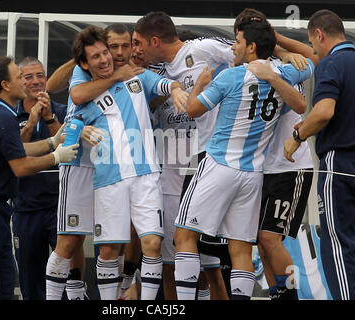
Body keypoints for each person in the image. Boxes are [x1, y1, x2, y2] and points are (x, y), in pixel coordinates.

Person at [175, 19, 313, 300]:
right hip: (253, 174)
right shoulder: (284, 73)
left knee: (184, 236)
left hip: (220, 165)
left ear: (251, 47)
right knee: (241, 249)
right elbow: (309, 64)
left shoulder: (229, 76)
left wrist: (199, 85)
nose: (233, 46)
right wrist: (285, 54)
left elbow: (192, 110)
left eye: (237, 41)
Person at [70, 25, 187, 300]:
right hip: (109, 180)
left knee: (152, 243)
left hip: (146, 176)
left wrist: (177, 89)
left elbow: (166, 84)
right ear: (85, 64)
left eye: (105, 53)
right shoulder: (84, 94)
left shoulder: (137, 75)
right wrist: (78, 131)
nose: (105, 59)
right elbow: (68, 128)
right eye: (96, 56)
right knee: (110, 250)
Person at [0, 56, 78, 300]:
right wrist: (56, 157)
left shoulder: (0, 112)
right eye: (20, 76)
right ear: (6, 85)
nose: (27, 81)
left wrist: (53, 142)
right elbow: (19, 166)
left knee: (3, 282)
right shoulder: (0, 115)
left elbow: (17, 149)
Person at [133, 11, 236, 300]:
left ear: (154, 40)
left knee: (210, 266)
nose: (135, 51)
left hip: (206, 165)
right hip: (169, 174)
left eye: (138, 43)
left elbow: (246, 51)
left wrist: (285, 56)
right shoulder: (153, 75)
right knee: (170, 263)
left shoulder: (202, 49)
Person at [45, 23, 143, 300]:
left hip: (112, 168)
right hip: (79, 165)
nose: (117, 53)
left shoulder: (131, 70)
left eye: (126, 45)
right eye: (112, 47)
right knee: (70, 239)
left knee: (114, 241)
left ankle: (115, 296)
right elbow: (69, 94)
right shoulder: (84, 70)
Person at [233, 8, 316, 300]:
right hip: (260, 167)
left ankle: (293, 294)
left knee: (270, 238)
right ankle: (278, 294)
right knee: (261, 239)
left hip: (291, 167)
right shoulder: (242, 69)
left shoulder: (289, 64)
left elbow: (317, 57)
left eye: (260, 28)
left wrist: (279, 44)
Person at [284, 9, 355, 300]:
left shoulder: (331, 64)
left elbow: (325, 111)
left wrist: (297, 137)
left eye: (312, 44)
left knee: (339, 246)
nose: (313, 51)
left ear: (319, 34)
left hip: (340, 166)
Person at [10, 56, 67, 300]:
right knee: (31, 280)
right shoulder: (8, 115)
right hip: (25, 208)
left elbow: (70, 148)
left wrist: (48, 118)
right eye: (29, 77)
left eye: (40, 75)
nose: (36, 82)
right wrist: (32, 121)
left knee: (66, 276)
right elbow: (13, 153)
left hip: (60, 206)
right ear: (19, 81)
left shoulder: (62, 109)